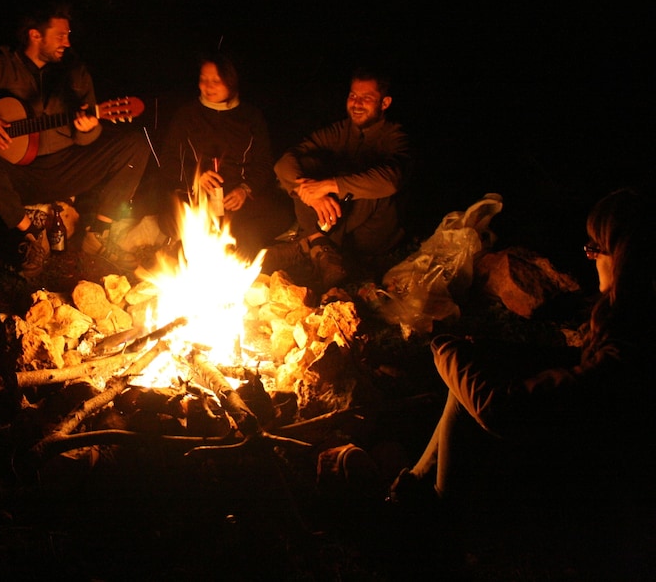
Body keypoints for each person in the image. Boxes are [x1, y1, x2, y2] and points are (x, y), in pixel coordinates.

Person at [389, 187, 656, 517]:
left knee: (470, 382)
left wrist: (444, 348)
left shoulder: (632, 349)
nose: (589, 256)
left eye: (596, 248)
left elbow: (503, 410)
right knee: (473, 373)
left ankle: (441, 521)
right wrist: (492, 352)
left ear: (626, 255)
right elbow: (575, 366)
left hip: (595, 474)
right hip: (582, 433)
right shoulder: (630, 319)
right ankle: (416, 485)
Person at [0, 4, 150, 277]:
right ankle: (33, 236)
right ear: (35, 36)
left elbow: (87, 139)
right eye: (59, 36)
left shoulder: (74, 72)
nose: (67, 42)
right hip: (20, 174)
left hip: (66, 165)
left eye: (68, 35)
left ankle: (99, 233)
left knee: (134, 146)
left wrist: (87, 128)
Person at [265, 68, 410, 289]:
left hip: (372, 233)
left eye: (366, 98)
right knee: (304, 171)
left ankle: (308, 245)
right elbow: (284, 163)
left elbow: (391, 180)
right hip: (335, 221)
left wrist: (328, 185)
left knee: (367, 178)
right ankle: (320, 248)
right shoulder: (339, 131)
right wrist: (313, 196)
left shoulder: (395, 136)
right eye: (353, 96)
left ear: (385, 103)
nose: (357, 103)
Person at [157, 52, 292, 261]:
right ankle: (198, 248)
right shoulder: (187, 115)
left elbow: (264, 163)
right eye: (203, 80)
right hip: (197, 199)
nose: (207, 86)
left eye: (216, 81)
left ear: (231, 80)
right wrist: (196, 177)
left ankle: (244, 253)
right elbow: (168, 160)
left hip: (238, 203)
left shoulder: (251, 117)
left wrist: (245, 190)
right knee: (170, 220)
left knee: (281, 215)